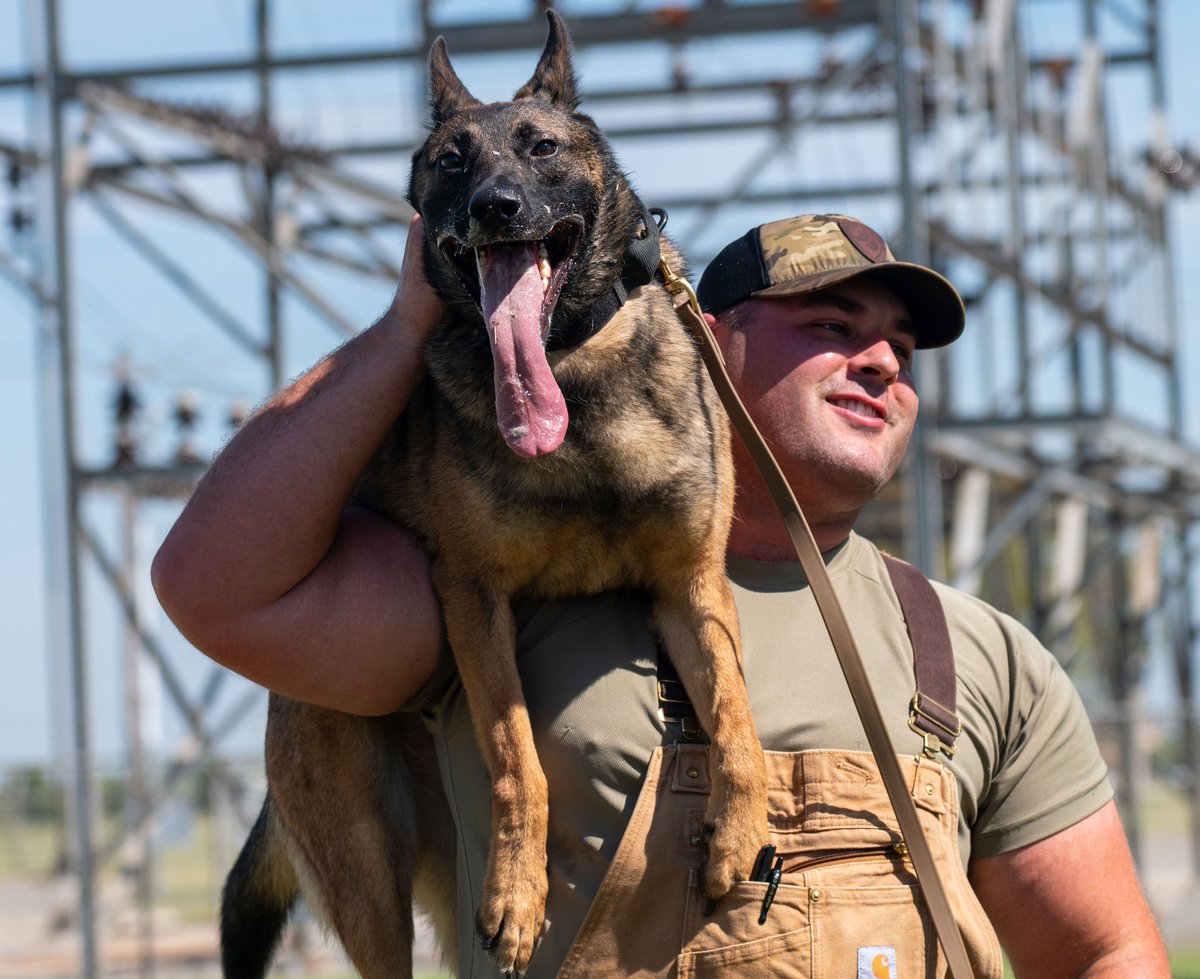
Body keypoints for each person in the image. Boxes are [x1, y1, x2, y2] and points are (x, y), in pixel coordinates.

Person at [152, 213, 1169, 978]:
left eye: (901, 350)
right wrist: (407, 322)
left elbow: (1104, 950)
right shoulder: (505, 596)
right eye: (832, 324)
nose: (881, 362)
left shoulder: (976, 652)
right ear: (703, 343)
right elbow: (215, 585)